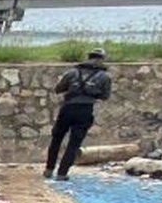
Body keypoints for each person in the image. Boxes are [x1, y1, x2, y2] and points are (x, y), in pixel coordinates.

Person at [45, 48, 112, 181]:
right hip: (85, 110)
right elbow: (105, 96)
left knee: (56, 139)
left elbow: (58, 89)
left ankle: (49, 169)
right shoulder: (104, 76)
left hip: (67, 108)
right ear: (101, 59)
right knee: (74, 144)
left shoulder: (72, 72)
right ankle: (62, 173)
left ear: (88, 57)